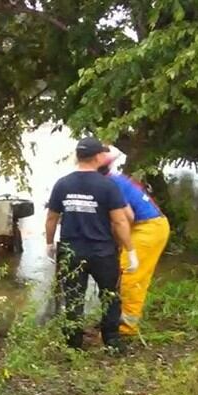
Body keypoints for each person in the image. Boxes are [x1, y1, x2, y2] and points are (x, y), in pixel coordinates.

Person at [45, 137, 138, 352]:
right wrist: (131, 250)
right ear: (97, 157)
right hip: (102, 252)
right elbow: (120, 221)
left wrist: (49, 244)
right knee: (110, 296)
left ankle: (73, 346)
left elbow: (51, 218)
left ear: (78, 156)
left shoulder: (62, 184)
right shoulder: (107, 185)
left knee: (73, 297)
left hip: (71, 252)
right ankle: (112, 342)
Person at [98, 152, 171, 336]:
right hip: (148, 226)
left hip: (148, 228)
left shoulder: (110, 184)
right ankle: (120, 319)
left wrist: (121, 243)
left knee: (130, 277)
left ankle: (127, 327)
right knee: (130, 274)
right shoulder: (113, 180)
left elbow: (127, 217)